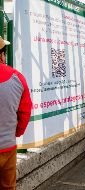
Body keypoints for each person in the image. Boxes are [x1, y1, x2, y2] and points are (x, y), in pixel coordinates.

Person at [0, 37, 32, 190]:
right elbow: (25, 112)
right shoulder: (17, 78)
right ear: (2, 55)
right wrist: (16, 132)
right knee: (8, 186)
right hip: (7, 146)